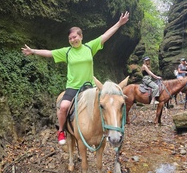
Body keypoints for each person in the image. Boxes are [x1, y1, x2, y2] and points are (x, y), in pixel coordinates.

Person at [21, 11, 130, 145]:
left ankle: (109, 130)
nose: (73, 40)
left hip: (90, 86)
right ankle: (61, 130)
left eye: (75, 37)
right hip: (73, 87)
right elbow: (49, 53)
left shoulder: (90, 47)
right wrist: (33, 51)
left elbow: (105, 36)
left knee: (107, 104)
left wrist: (119, 23)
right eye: (70, 38)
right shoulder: (66, 52)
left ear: (81, 37)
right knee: (63, 107)